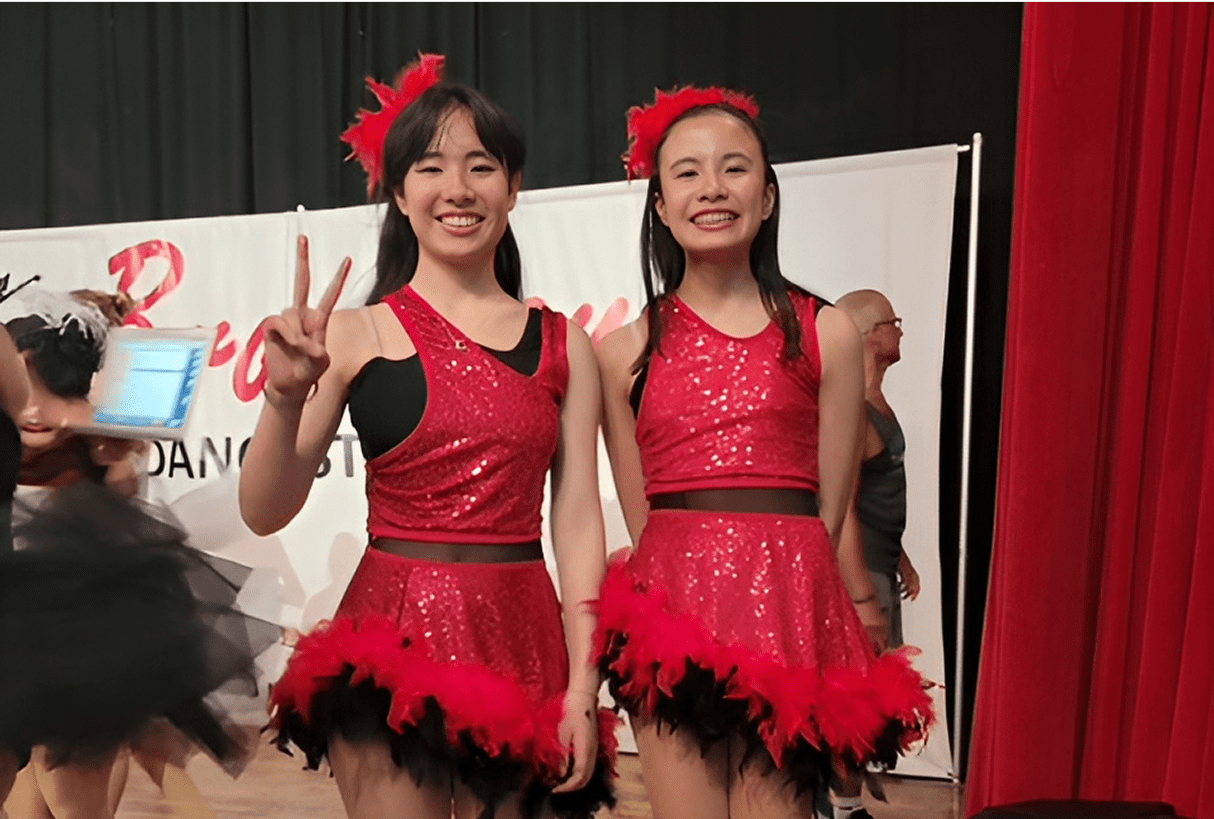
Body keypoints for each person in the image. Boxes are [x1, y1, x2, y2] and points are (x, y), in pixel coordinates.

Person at [241, 55, 615, 819]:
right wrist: (283, 398)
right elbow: (264, 510)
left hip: (524, 643)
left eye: (483, 166)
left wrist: (584, 685)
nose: (459, 188)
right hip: (387, 649)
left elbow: (576, 521)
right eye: (432, 166)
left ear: (513, 188)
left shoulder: (563, 343)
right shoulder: (354, 333)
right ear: (400, 193)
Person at [593, 86, 934, 819]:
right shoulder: (622, 352)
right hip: (671, 628)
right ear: (658, 205)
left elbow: (828, 505)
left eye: (734, 168)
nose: (711, 187)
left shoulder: (826, 333)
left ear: (770, 196)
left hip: (788, 616)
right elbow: (641, 514)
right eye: (686, 172)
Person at [0, 287, 275, 819]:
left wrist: (109, 447)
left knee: (89, 778)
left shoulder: (103, 449)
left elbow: (120, 517)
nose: (35, 409)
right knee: (39, 782)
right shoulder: (19, 447)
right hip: (30, 641)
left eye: (52, 390)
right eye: (22, 389)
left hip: (88, 638)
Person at [835, 290, 920, 649]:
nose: (899, 332)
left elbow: (877, 491)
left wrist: (901, 560)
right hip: (864, 578)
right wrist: (862, 598)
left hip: (881, 571)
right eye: (893, 324)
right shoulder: (853, 411)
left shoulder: (873, 405)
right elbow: (841, 505)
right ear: (870, 334)